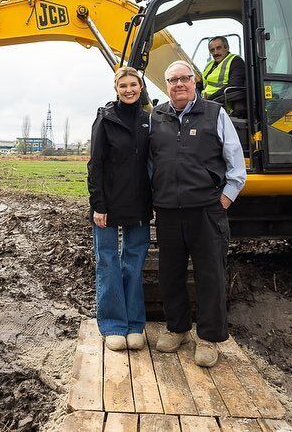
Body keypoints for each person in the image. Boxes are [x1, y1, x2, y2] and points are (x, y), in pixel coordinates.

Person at [149, 60, 246, 367]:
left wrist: (225, 198)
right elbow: (151, 162)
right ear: (166, 85)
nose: (178, 84)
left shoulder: (215, 113)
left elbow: (236, 163)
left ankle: (208, 338)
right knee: (171, 273)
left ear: (195, 82)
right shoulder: (157, 116)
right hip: (168, 210)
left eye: (184, 78)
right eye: (172, 79)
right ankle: (177, 329)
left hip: (206, 210)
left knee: (210, 274)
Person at [87, 66, 153, 352]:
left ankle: (135, 324)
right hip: (109, 204)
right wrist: (98, 205)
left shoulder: (149, 120)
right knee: (108, 262)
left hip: (139, 203)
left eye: (133, 85)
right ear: (116, 89)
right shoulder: (106, 119)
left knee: (134, 263)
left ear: (141, 87)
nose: (129, 90)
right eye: (123, 85)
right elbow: (96, 164)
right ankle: (113, 324)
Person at [201, 36, 246, 115]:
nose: (215, 53)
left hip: (222, 106)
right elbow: (200, 84)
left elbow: (234, 86)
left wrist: (209, 100)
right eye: (212, 50)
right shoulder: (209, 65)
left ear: (227, 48)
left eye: (218, 48)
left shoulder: (236, 61)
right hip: (207, 104)